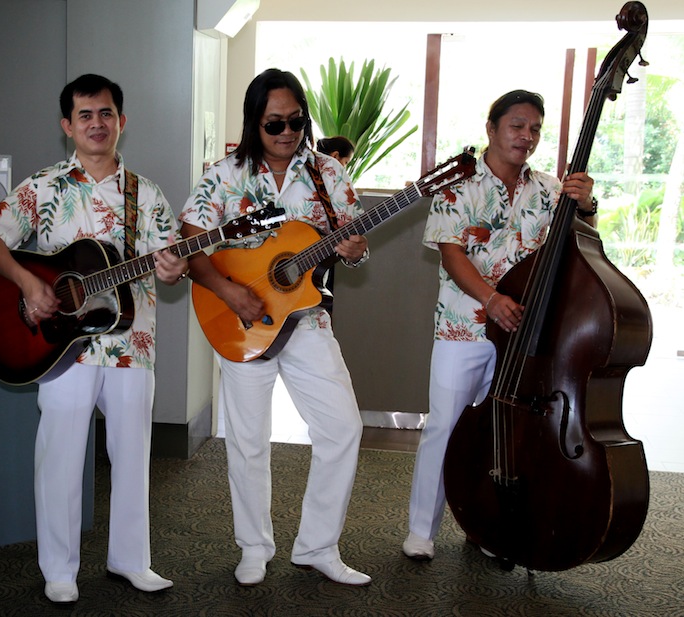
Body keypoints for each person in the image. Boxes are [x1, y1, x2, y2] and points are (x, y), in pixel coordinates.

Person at [0, 74, 187, 603]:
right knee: (61, 456)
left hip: (132, 344)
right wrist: (29, 282)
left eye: (106, 113)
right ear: (66, 126)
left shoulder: (147, 194)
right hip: (59, 348)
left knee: (132, 454)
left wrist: (171, 269)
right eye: (85, 115)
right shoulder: (43, 185)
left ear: (122, 121)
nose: (96, 123)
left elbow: (171, 261)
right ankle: (58, 570)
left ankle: (131, 561)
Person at [180, 68, 371, 587]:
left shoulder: (328, 173)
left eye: (296, 121)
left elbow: (350, 244)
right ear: (254, 123)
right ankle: (253, 548)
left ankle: (318, 547)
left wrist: (354, 249)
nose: (288, 131)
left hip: (307, 319)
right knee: (248, 440)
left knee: (342, 428)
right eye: (275, 123)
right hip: (241, 321)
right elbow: (191, 242)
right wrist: (228, 291)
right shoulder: (224, 174)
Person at [402, 90, 596, 560]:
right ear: (491, 129)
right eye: (516, 126)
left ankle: (485, 524)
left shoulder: (551, 189)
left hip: (523, 339)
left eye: (534, 129)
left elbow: (585, 245)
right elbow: (451, 252)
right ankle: (421, 533)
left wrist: (586, 206)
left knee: (502, 431)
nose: (526, 137)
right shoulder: (458, 185)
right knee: (445, 428)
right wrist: (490, 299)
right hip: (462, 328)